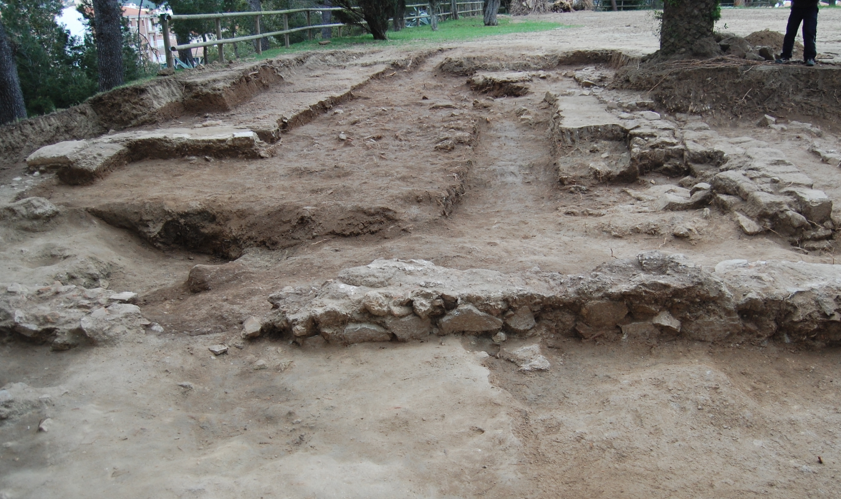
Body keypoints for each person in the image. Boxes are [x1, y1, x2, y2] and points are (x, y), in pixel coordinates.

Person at [776, 0, 819, 66]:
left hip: (811, 7)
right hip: (797, 7)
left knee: (809, 32)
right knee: (790, 32)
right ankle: (785, 56)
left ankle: (810, 57)